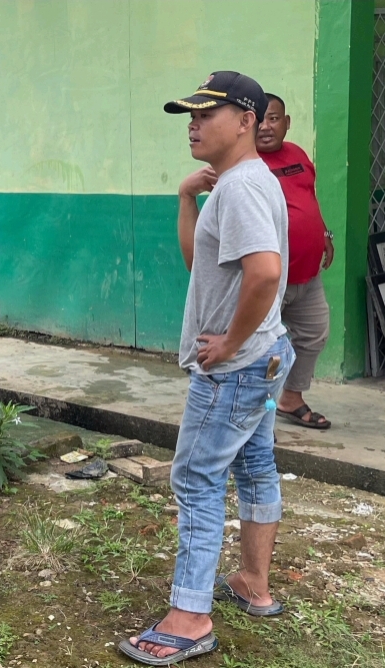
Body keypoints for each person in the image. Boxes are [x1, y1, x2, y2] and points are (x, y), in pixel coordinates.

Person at [120, 71, 295, 665]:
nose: (193, 124)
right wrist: (186, 198)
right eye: (189, 116)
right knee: (255, 466)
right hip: (265, 357)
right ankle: (253, 583)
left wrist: (227, 344)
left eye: (205, 114)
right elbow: (204, 265)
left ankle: (191, 615)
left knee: (195, 480)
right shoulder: (242, 183)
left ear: (246, 120)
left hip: (238, 368)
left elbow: (265, 273)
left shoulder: (243, 187)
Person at [257, 93, 334, 429]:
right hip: (271, 277)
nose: (265, 126)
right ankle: (252, 418)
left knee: (314, 334)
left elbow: (308, 197)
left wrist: (324, 234)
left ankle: (290, 398)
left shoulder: (298, 155)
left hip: (308, 274)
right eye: (258, 118)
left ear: (286, 123)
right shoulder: (244, 164)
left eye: (273, 118)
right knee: (260, 346)